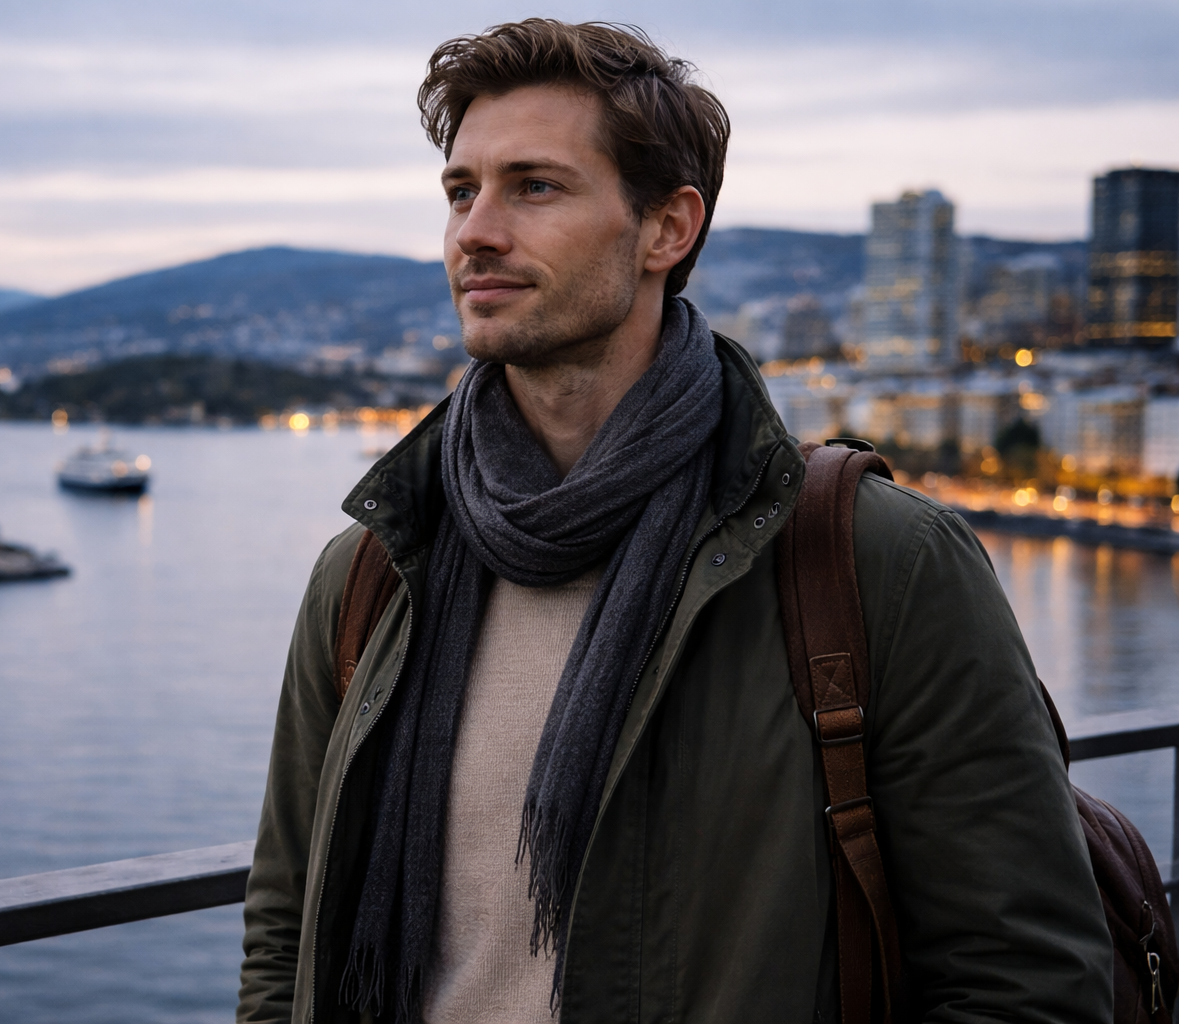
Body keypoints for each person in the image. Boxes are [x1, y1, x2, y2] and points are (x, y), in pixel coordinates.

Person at [237, 19, 1110, 1024]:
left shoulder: (875, 563)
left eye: (535, 186)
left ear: (667, 229)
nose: (475, 230)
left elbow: (1025, 980)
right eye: (460, 190)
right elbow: (287, 927)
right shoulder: (372, 570)